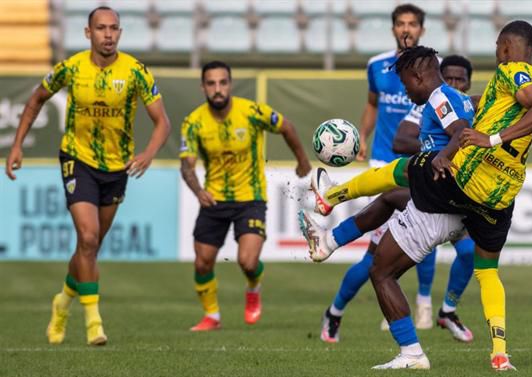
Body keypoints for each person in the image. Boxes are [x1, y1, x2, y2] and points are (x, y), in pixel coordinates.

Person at [309, 21, 532, 370]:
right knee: (486, 271)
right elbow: (481, 109)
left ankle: (328, 201)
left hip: (463, 181)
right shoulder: (512, 87)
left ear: (504, 47)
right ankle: (499, 351)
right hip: (499, 197)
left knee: (403, 176)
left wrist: (488, 140)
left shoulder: (509, 72)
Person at [4, 6, 171, 346]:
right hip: (77, 159)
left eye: (113, 28)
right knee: (89, 237)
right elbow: (36, 100)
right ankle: (94, 322)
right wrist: (17, 145)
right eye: (101, 28)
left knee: (88, 247)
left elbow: (162, 122)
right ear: (88, 33)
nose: (107, 34)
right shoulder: (71, 68)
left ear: (120, 34)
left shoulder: (136, 72)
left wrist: (149, 153)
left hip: (117, 167)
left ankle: (62, 302)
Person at [302, 56, 478, 344]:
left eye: (461, 79)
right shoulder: (430, 103)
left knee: (466, 251)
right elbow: (401, 141)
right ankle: (335, 311)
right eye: (451, 78)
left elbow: (466, 128)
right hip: (431, 184)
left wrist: (444, 151)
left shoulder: (466, 104)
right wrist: (438, 152)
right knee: (376, 257)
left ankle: (446, 311)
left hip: (451, 191)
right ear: (438, 77)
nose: (456, 83)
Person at [319, 3, 440, 339]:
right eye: (401, 23)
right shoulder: (376, 66)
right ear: (393, 29)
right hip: (383, 166)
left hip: (420, 164)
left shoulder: (435, 67)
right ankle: (337, 311)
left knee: (424, 237)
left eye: (412, 24)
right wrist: (361, 138)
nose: (406, 29)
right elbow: (372, 104)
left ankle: (423, 302)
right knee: (379, 251)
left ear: (421, 30)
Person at [180, 61, 311, 331]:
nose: (218, 89)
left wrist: (302, 161)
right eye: (211, 83)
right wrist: (198, 190)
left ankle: (253, 287)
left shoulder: (251, 111)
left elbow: (286, 126)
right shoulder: (193, 122)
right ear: (203, 87)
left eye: (222, 82)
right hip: (213, 198)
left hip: (251, 198)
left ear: (230, 84)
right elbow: (187, 165)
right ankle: (212, 316)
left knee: (247, 262)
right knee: (203, 262)